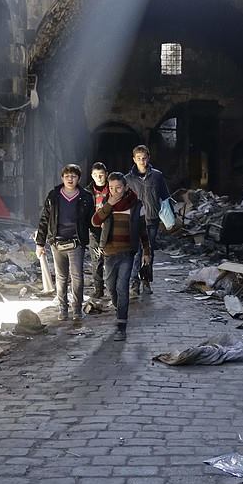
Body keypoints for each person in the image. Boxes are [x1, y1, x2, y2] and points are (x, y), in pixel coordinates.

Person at [91, 172, 150, 341]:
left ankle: (121, 326)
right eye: (111, 188)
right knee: (111, 286)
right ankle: (119, 308)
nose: (114, 191)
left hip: (127, 253)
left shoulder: (136, 205)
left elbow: (143, 230)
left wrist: (147, 252)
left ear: (125, 187)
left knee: (122, 287)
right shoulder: (107, 203)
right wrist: (109, 204)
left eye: (118, 188)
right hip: (109, 253)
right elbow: (95, 221)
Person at [35, 164, 94, 321]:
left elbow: (92, 221)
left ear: (78, 178)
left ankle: (77, 309)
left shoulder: (85, 197)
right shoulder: (54, 196)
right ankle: (63, 309)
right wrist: (40, 243)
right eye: (67, 176)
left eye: (73, 176)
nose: (70, 179)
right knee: (61, 277)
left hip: (76, 242)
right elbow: (44, 219)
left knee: (77, 276)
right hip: (57, 242)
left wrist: (100, 242)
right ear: (62, 178)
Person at [125, 145, 169, 296]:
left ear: (148, 158)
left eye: (144, 158)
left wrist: (168, 217)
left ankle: (146, 280)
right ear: (134, 159)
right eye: (138, 158)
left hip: (151, 219)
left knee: (148, 251)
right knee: (135, 252)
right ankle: (134, 282)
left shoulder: (157, 176)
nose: (142, 161)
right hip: (134, 221)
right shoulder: (128, 179)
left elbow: (165, 196)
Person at [87, 162, 109, 299]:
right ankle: (99, 289)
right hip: (94, 229)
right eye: (95, 175)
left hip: (111, 228)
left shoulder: (113, 188)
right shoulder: (88, 191)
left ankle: (114, 288)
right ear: (92, 175)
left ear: (106, 174)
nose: (98, 177)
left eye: (101, 174)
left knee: (112, 259)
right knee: (96, 260)